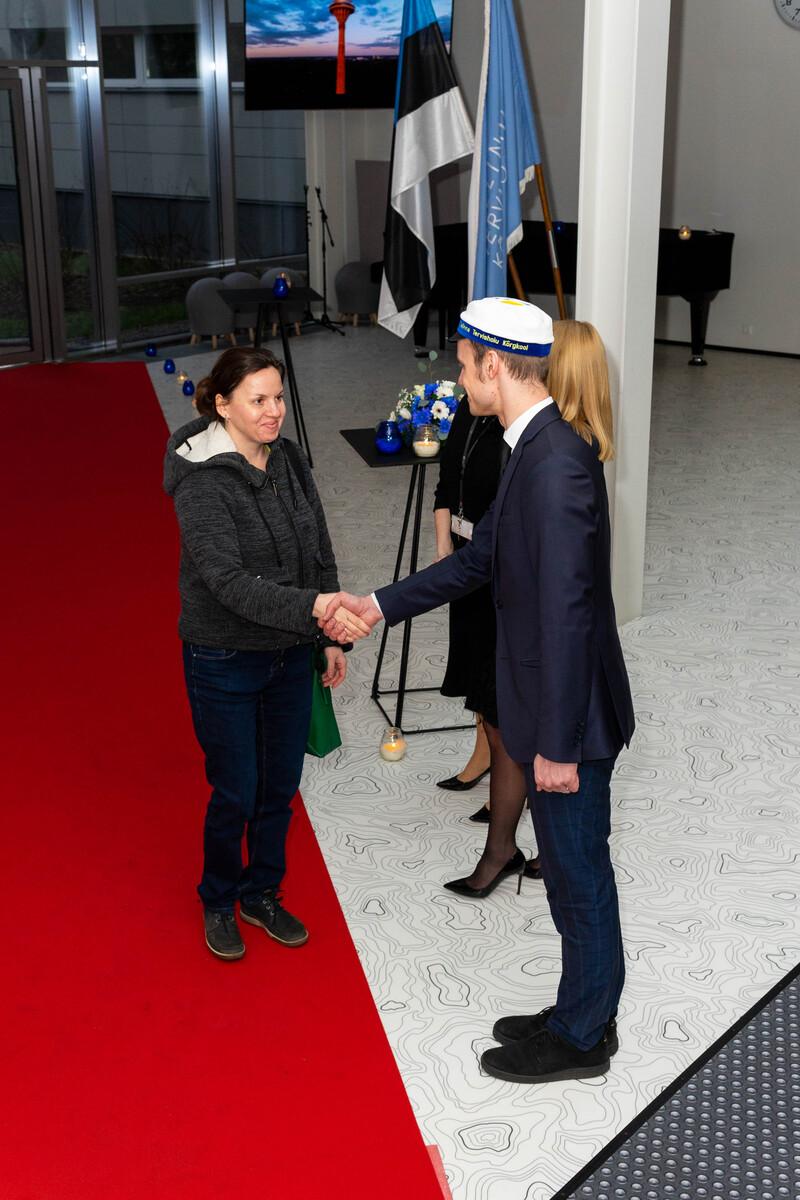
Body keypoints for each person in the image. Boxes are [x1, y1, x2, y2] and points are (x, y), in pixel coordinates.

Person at [320, 299, 635, 1085]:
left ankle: (584, 1037)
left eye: (465, 367)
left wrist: (556, 746)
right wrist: (378, 604)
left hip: (570, 722)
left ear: (495, 365)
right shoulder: (529, 445)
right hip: (549, 707)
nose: (460, 381)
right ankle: (578, 1010)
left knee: (578, 877)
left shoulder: (555, 465)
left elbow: (568, 620)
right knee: (570, 876)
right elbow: (477, 558)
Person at [163, 346, 367, 961]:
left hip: (290, 654)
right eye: (258, 400)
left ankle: (261, 893)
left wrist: (326, 637)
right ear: (223, 405)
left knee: (279, 785)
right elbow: (228, 583)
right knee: (237, 790)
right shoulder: (202, 481)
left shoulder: (290, 458)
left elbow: (319, 548)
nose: (274, 410)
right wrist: (318, 608)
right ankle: (219, 899)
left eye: (278, 397)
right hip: (223, 658)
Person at [433, 394, 541, 897]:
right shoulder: (469, 409)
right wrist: (446, 552)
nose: (459, 378)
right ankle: (504, 833)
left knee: (509, 707)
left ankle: (514, 838)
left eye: (466, 364)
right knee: (487, 694)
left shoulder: (531, 436)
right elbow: (447, 481)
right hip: (471, 565)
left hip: (501, 578)